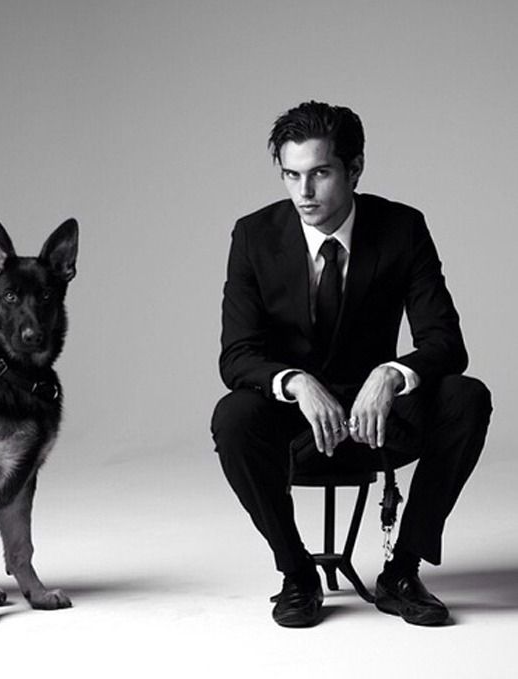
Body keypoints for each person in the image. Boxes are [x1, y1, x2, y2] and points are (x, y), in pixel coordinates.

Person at [211, 101, 492, 628]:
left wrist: (390, 374)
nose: (304, 192)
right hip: (297, 424)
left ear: (355, 169)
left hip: (377, 421)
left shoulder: (402, 228)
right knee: (233, 416)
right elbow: (238, 355)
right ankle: (297, 574)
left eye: (320, 173)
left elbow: (445, 342)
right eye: (291, 175)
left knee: (467, 396)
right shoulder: (253, 236)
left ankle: (402, 572)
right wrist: (296, 382)